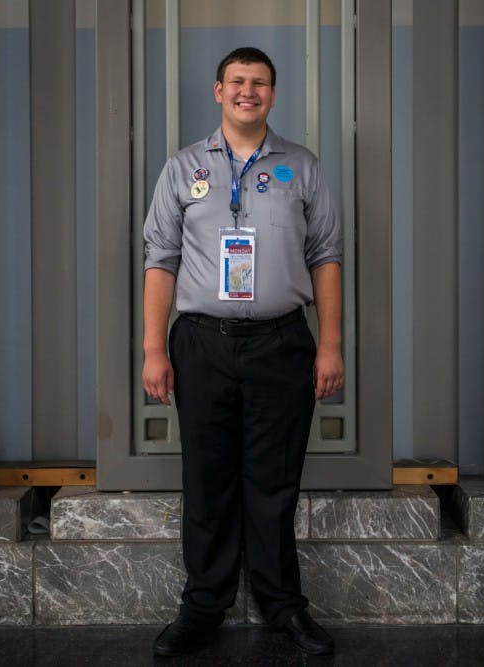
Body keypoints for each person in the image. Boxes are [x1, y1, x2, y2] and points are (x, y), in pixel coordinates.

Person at [142, 46, 344, 657]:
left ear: (273, 96)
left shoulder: (302, 167)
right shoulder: (182, 169)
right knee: (207, 483)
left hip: (282, 344)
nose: (247, 91)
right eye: (237, 81)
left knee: (273, 484)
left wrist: (330, 345)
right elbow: (161, 260)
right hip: (202, 343)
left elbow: (326, 258)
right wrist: (155, 348)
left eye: (259, 83)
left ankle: (283, 608)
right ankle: (203, 607)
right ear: (218, 90)